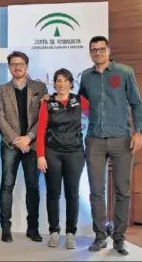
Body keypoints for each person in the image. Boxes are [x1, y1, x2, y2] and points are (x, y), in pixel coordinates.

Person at [81, 36, 142, 256]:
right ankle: (100, 236)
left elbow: (136, 102)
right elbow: (80, 102)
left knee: (122, 190)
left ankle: (119, 237)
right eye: (94, 50)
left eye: (101, 49)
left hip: (121, 138)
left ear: (108, 50)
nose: (98, 52)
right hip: (95, 138)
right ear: (90, 53)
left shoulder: (124, 72)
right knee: (96, 191)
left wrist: (138, 132)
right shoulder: (86, 77)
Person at [0, 51, 47, 243]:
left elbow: (43, 117)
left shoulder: (39, 87)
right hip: (10, 145)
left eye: (21, 64)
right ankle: (5, 228)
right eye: (13, 64)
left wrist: (29, 137)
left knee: (33, 186)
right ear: (9, 67)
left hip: (32, 146)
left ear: (27, 66)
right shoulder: (1, 90)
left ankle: (32, 228)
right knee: (7, 185)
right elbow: (0, 117)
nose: (17, 67)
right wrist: (17, 139)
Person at [36, 68, 89, 249]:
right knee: (53, 193)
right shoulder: (47, 102)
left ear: (71, 83)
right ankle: (54, 231)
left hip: (75, 152)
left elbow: (96, 117)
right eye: (58, 80)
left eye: (65, 80)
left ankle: (71, 233)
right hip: (52, 153)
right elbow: (41, 130)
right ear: (54, 83)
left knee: (72, 194)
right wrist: (40, 155)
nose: (61, 84)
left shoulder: (79, 100)